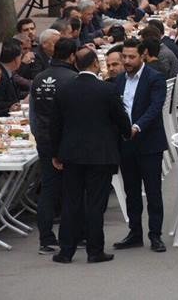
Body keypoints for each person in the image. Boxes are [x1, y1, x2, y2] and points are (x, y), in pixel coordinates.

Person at [50, 48, 132, 264]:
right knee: (96, 203)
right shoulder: (107, 90)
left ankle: (66, 250)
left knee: (71, 202)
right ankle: (95, 250)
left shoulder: (65, 90)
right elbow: (121, 118)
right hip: (100, 154)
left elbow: (55, 124)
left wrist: (55, 153)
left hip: (71, 153)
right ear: (96, 64)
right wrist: (127, 133)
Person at [113, 39, 169, 254]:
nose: (127, 61)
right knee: (131, 190)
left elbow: (155, 108)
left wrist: (137, 126)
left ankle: (155, 234)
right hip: (126, 144)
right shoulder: (118, 81)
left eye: (131, 57)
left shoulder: (155, 79)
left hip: (148, 143)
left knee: (153, 190)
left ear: (143, 55)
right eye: (124, 57)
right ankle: (134, 232)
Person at [29, 37, 80, 254]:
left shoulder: (39, 79)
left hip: (44, 140)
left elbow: (33, 113)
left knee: (48, 189)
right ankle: (74, 234)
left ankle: (46, 238)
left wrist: (39, 136)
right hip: (68, 142)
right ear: (72, 56)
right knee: (73, 189)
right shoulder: (73, 79)